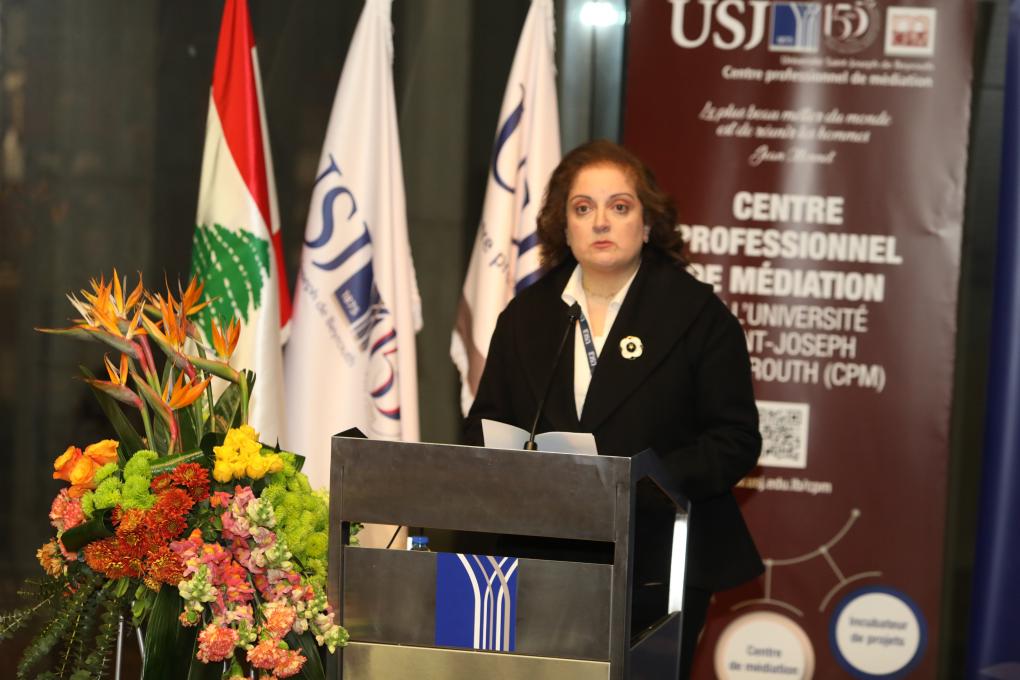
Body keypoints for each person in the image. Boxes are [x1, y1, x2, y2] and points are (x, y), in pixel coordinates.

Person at [464, 139, 763, 679]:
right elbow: (483, 428)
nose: (601, 221)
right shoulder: (527, 316)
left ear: (647, 224)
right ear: (564, 228)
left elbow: (735, 439)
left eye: (619, 207)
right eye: (583, 208)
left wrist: (639, 482)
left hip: (659, 555)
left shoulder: (698, 315)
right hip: (541, 554)